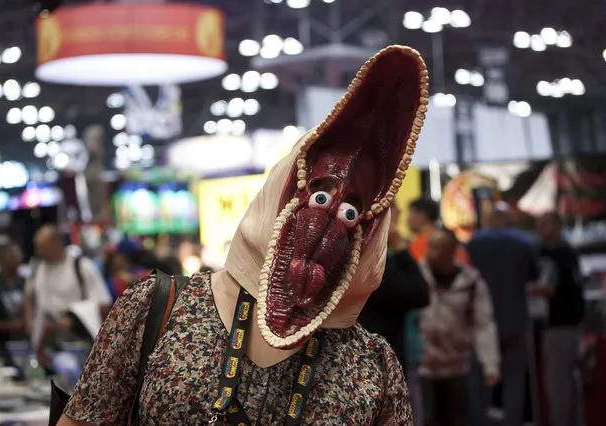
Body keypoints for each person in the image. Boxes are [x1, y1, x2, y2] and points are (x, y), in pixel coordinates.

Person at [58, 45, 430, 425]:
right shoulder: (155, 309)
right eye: (319, 195)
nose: (327, 225)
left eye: (351, 211)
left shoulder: (372, 365)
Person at [466, 204, 540, 426]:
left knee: (480, 377)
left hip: (482, 321)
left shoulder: (474, 243)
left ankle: (480, 420)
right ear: (509, 220)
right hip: (515, 319)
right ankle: (513, 421)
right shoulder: (525, 242)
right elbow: (534, 276)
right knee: (514, 377)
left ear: (490, 220)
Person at [418, 228, 500, 426]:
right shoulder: (416, 276)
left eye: (438, 247)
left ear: (452, 250)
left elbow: (483, 324)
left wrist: (490, 365)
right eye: (430, 246)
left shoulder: (470, 281)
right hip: (422, 369)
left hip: (457, 368)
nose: (430, 252)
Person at [358, 203, 429, 426]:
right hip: (379, 358)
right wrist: (399, 248)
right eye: (395, 211)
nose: (400, 216)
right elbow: (419, 293)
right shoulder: (373, 258)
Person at [23, 225, 111, 355]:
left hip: (77, 340)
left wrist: (73, 318)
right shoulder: (37, 268)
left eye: (42, 247)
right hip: (46, 340)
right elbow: (28, 296)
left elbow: (103, 302)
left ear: (57, 243)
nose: (38, 252)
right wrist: (29, 321)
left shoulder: (82, 267)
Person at [533, 212, 585, 426]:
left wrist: (528, 289)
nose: (540, 229)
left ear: (557, 226)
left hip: (562, 325)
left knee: (559, 383)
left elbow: (553, 288)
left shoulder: (562, 255)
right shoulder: (549, 252)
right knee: (566, 381)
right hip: (563, 324)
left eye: (545, 224)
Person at [407, 197, 470, 263]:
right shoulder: (449, 240)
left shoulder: (419, 246)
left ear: (422, 216)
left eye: (410, 213)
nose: (407, 219)